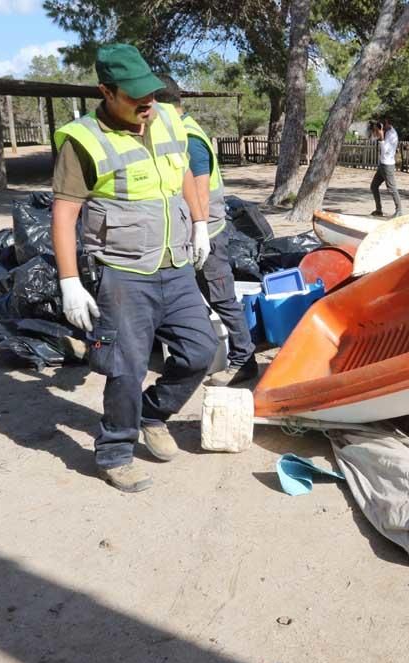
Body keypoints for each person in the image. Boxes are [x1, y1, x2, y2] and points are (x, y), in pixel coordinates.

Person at [51, 43, 218, 493]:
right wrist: (69, 281)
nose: (147, 105)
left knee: (202, 351)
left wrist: (200, 223)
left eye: (151, 95)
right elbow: (64, 214)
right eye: (135, 98)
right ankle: (114, 452)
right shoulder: (83, 140)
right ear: (106, 91)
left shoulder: (164, 117)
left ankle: (152, 413)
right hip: (123, 271)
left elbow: (181, 168)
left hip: (176, 263)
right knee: (125, 367)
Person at [154, 75, 258, 387]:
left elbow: (197, 193)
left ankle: (244, 360)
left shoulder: (189, 139)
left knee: (221, 297)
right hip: (193, 234)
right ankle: (201, 353)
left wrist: (197, 233)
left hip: (207, 235)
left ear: (162, 105)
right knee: (198, 298)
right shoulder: (177, 132)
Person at [370, 118, 403, 218]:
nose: (383, 126)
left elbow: (385, 150)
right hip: (382, 165)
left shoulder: (392, 135)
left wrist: (382, 137)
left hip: (388, 165)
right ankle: (378, 210)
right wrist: (377, 132)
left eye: (384, 123)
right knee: (374, 186)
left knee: (392, 188)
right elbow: (374, 139)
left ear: (388, 123)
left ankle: (399, 211)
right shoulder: (387, 131)